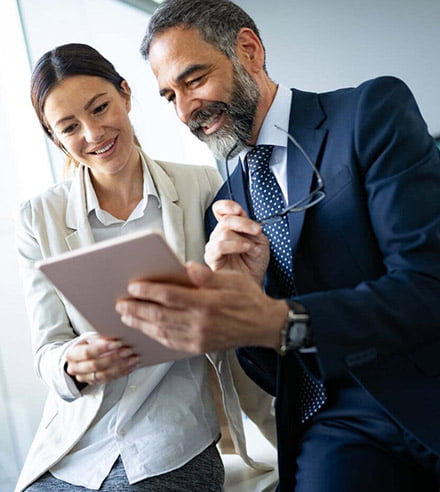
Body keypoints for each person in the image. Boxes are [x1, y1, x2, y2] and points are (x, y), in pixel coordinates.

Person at [114, 1, 440, 491]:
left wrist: (279, 318)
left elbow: (428, 285)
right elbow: (272, 372)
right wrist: (244, 300)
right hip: (336, 423)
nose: (185, 111)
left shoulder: (369, 113)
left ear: (248, 50)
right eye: (169, 97)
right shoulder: (225, 205)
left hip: (424, 387)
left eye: (195, 80)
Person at [14, 43, 275, 492]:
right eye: (70, 127)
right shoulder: (38, 218)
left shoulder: (200, 186)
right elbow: (48, 349)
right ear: (55, 138)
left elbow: (239, 301)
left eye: (100, 108)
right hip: (78, 446)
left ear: (126, 95)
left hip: (171, 437)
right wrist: (73, 362)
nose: (94, 133)